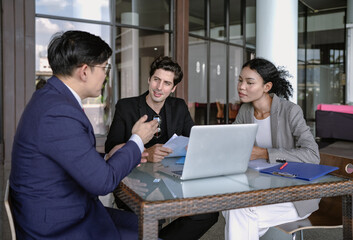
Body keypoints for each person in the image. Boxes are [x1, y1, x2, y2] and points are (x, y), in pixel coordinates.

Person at [9, 30, 158, 240]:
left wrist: (107, 157)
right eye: (104, 68)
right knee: (148, 230)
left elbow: (71, 157)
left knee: (146, 224)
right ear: (85, 71)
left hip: (64, 209)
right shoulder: (58, 112)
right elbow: (103, 183)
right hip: (59, 227)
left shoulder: (51, 99)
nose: (105, 75)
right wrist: (138, 140)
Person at [105, 56, 219, 240]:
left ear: (173, 88)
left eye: (167, 83)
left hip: (172, 179)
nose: (159, 88)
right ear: (149, 79)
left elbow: (195, 138)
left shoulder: (179, 106)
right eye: (156, 80)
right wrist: (144, 152)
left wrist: (195, 146)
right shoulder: (126, 107)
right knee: (152, 219)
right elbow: (111, 150)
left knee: (208, 214)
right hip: (135, 182)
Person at [222, 58, 320, 240]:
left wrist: (264, 153)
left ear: (267, 87)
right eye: (240, 80)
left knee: (238, 210)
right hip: (259, 189)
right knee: (234, 208)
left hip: (295, 195)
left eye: (249, 82)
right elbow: (233, 145)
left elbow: (313, 155)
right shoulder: (245, 111)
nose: (241, 87)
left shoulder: (290, 111)